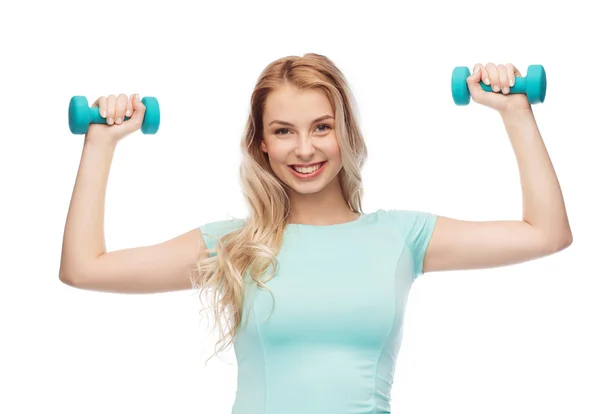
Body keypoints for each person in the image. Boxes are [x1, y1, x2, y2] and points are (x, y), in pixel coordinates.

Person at [59, 53, 572, 413]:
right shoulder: (233, 246)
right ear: (261, 143)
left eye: (321, 127)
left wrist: (515, 112)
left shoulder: (400, 236)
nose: (304, 149)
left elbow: (545, 233)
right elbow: (84, 268)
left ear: (345, 131)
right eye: (284, 131)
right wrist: (100, 144)